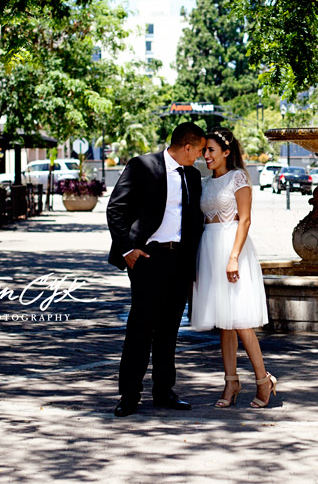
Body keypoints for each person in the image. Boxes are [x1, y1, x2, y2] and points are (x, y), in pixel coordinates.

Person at [106, 122, 207, 417]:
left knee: (169, 330)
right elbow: (116, 208)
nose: (200, 156)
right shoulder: (142, 166)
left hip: (179, 262)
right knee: (140, 327)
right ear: (187, 147)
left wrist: (192, 266)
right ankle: (129, 394)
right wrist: (127, 250)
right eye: (199, 150)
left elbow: (192, 222)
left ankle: (163, 391)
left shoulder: (192, 175)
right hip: (148, 259)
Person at [192, 127, 277, 408]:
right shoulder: (205, 182)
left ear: (226, 153)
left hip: (232, 249)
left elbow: (245, 220)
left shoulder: (238, 177)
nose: (206, 155)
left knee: (240, 321)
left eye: (211, 150)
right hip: (209, 248)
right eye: (204, 150)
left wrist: (233, 257)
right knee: (224, 323)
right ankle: (231, 383)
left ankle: (264, 380)